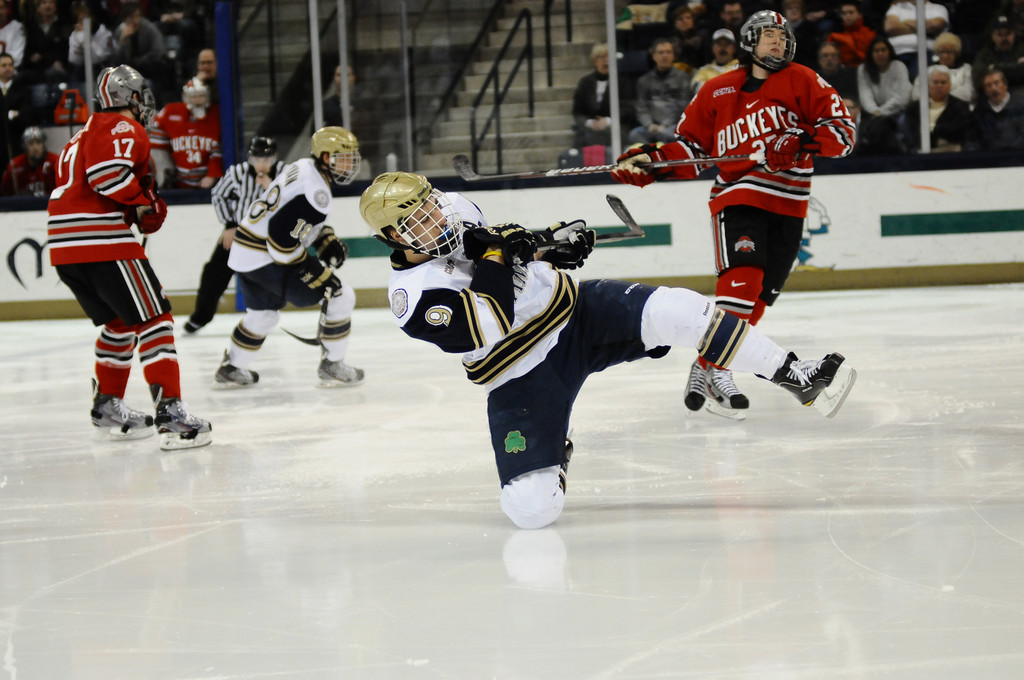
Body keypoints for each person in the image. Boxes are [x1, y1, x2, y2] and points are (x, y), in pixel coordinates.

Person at [358, 171, 857, 529]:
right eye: (417, 221)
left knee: (682, 310)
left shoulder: (456, 208)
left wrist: (549, 245)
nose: (435, 219)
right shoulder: (412, 299)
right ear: (391, 238)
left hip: (579, 312)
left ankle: (796, 375)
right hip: (521, 373)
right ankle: (556, 451)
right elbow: (492, 315)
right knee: (531, 511)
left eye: (431, 206)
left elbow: (507, 247)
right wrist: (499, 248)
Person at [611, 9, 855, 418]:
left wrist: (802, 140)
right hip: (738, 197)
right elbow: (692, 152)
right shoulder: (716, 90)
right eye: (769, 36)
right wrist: (649, 163)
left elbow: (843, 136)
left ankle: (709, 366)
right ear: (750, 42)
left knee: (758, 298)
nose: (778, 42)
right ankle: (721, 370)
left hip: (789, 204)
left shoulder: (804, 79)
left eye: (783, 35)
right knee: (743, 284)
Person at [45, 64, 211, 450]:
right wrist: (145, 200)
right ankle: (171, 415)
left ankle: (106, 405)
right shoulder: (121, 127)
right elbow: (108, 176)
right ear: (129, 97)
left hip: (64, 247)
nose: (145, 102)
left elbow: (85, 184)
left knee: (120, 322)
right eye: (141, 94)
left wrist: (135, 203)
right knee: (156, 318)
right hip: (102, 242)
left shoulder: (79, 136)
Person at [215, 127, 365, 388]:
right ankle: (333, 363)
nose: (349, 165)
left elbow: (293, 220)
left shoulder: (304, 166)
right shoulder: (317, 193)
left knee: (263, 315)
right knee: (341, 294)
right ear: (326, 158)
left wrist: (324, 238)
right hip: (267, 256)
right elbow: (282, 243)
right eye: (343, 158)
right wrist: (314, 271)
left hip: (244, 250)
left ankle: (232, 366)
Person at [183, 136, 282, 335]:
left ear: (274, 159)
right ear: (251, 159)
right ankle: (201, 316)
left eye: (266, 160)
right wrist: (229, 225)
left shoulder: (284, 173)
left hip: (267, 237)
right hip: (238, 233)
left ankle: (266, 314)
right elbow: (218, 195)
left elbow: (288, 201)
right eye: (258, 160)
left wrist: (269, 187)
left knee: (269, 276)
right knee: (214, 273)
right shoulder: (237, 173)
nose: (262, 164)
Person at [148, 77, 222, 188]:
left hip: (210, 183)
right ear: (185, 97)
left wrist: (213, 174)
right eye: (193, 96)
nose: (197, 100)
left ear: (208, 97)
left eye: (201, 96)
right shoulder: (170, 112)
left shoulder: (217, 115)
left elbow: (219, 149)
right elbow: (154, 135)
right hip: (178, 183)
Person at [627, 38, 691, 145]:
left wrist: (665, 125)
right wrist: (649, 124)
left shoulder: (683, 78)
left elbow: (683, 105)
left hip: (673, 125)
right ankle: (651, 158)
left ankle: (663, 159)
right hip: (650, 127)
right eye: (661, 52)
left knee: (667, 134)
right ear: (654, 56)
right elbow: (640, 106)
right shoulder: (644, 80)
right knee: (634, 134)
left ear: (673, 56)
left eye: (668, 52)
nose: (664, 56)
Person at [857, 36, 911, 153]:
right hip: (874, 113)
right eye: (876, 51)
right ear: (871, 53)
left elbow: (902, 97)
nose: (880, 54)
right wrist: (875, 111)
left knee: (899, 121)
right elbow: (865, 95)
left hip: (898, 111)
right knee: (861, 121)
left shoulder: (899, 66)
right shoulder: (864, 69)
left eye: (883, 50)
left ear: (889, 51)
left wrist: (880, 113)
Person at [902, 64, 971, 152]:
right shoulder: (914, 109)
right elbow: (912, 137)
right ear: (928, 85)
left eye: (943, 82)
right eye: (935, 82)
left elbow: (959, 135)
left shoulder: (961, 107)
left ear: (949, 85)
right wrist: (938, 141)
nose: (939, 86)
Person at [883, 0, 949, 81]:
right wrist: (923, 28)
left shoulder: (938, 8)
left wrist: (905, 22)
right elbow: (891, 27)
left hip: (925, 53)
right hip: (896, 53)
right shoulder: (897, 8)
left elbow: (935, 26)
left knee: (915, 77)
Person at [965, 68, 1024, 150]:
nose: (993, 88)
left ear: (1005, 85)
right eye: (988, 85)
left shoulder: (1021, 105)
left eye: (996, 83)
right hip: (990, 158)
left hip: (1018, 156)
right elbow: (973, 139)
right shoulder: (980, 110)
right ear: (985, 90)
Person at [571, 43, 613, 149]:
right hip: (591, 127)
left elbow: (627, 108)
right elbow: (578, 111)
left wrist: (607, 121)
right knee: (583, 137)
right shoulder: (585, 82)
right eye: (602, 57)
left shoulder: (621, 81)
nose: (606, 61)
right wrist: (590, 123)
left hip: (615, 125)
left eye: (608, 57)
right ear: (594, 61)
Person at [0, 51, 32, 177]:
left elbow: (28, 114)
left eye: (10, 65)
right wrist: (11, 114)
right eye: (3, 65)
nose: (8, 68)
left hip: (17, 141)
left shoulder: (23, 89)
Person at [1, 124, 57, 195]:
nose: (35, 148)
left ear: (43, 145)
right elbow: (5, 193)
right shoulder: (15, 165)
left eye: (38, 143)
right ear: (25, 146)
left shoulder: (54, 161)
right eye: (31, 144)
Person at [919, 32, 973, 105]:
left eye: (949, 52)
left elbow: (969, 92)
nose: (945, 56)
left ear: (956, 53)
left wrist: (941, 97)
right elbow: (917, 93)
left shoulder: (966, 69)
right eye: (941, 52)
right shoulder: (928, 71)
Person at [973, 15, 1024, 91]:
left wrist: (993, 68)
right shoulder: (985, 53)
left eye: (1008, 33)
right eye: (999, 34)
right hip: (994, 94)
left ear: (1014, 34)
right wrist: (1015, 66)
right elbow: (977, 76)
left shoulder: (1022, 48)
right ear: (992, 36)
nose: (1004, 38)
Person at [67, 0, 114, 81]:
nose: (81, 22)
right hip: (82, 70)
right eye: (79, 18)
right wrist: (81, 38)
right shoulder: (76, 34)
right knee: (75, 71)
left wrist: (86, 39)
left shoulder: (104, 33)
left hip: (101, 69)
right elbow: (73, 59)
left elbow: (98, 58)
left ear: (92, 17)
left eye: (84, 18)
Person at [689, 27, 741, 97]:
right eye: (719, 44)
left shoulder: (742, 67)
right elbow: (695, 88)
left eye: (727, 44)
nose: (723, 48)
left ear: (734, 48)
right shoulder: (704, 70)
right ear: (713, 48)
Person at [826, 0, 876, 67]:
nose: (847, 16)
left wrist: (850, 45)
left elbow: (872, 59)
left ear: (860, 14)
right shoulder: (834, 36)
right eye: (844, 13)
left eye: (851, 12)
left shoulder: (870, 34)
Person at [0, 0, 25, 68]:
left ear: (7, 9)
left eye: (2, 8)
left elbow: (17, 57)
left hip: (9, 71)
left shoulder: (17, 27)